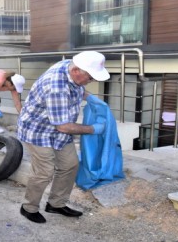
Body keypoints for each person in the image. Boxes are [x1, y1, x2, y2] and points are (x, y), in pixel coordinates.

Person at [17, 51, 110, 224]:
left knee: (70, 164)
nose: (92, 81)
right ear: (76, 71)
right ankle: (29, 207)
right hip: (37, 131)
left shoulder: (71, 64)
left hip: (58, 129)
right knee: (44, 171)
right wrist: (93, 129)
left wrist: (89, 97)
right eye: (90, 78)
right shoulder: (56, 87)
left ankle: (56, 204)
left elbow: (77, 88)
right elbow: (64, 126)